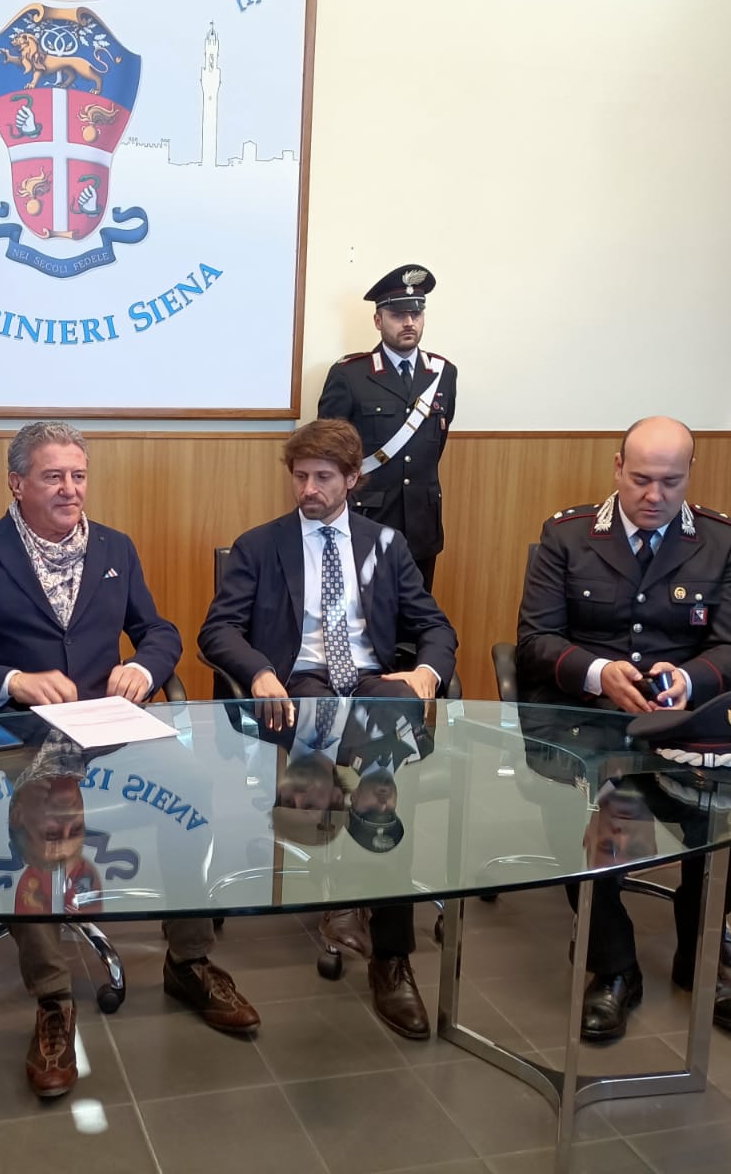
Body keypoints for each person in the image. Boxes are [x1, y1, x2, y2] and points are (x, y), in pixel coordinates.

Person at [0, 421, 256, 1100]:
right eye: (53, 476)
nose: (70, 489)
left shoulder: (115, 547)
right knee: (40, 811)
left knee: (193, 785)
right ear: (17, 483)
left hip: (107, 728)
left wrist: (145, 667)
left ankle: (189, 962)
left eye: (78, 475)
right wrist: (12, 680)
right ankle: (53, 999)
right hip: (21, 735)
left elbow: (160, 630)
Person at [198, 418, 458, 1039]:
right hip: (299, 683)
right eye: (300, 477)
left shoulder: (387, 544)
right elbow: (218, 630)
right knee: (384, 762)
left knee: (389, 719)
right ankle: (381, 936)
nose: (308, 489)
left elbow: (435, 627)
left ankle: (356, 908)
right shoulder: (261, 546)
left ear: (352, 479)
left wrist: (426, 673)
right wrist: (260, 671)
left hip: (369, 679)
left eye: (322, 477)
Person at [515, 415, 731, 1040]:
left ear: (690, 474)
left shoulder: (723, 541)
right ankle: (614, 967)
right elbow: (535, 641)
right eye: (642, 479)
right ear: (617, 467)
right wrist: (599, 673)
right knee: (581, 809)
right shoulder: (568, 535)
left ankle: (698, 957)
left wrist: (690, 680)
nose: (654, 496)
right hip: (589, 717)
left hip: (682, 719)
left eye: (671, 482)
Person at [318, 263, 458, 590]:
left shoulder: (443, 373)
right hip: (367, 519)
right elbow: (328, 453)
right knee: (363, 612)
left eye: (416, 313)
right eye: (398, 315)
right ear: (378, 321)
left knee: (416, 611)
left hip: (422, 523)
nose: (409, 322)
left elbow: (437, 442)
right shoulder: (350, 375)